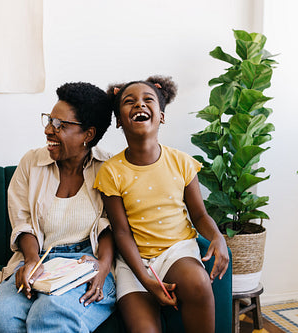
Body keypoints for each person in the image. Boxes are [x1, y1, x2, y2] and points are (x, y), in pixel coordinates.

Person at [94, 76, 229, 333]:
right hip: (134, 263)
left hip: (176, 251)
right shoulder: (111, 172)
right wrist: (145, 279)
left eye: (148, 100)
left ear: (162, 116)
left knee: (198, 282)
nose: (139, 105)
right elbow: (121, 232)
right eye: (129, 101)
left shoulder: (182, 162)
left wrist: (217, 237)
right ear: (119, 121)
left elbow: (199, 215)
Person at [0, 82, 116, 333]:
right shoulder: (32, 162)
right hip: (40, 257)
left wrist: (103, 266)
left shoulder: (109, 167)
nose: (48, 130)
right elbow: (23, 221)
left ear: (88, 134)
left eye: (59, 125)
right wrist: (32, 259)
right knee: (2, 320)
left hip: (86, 262)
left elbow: (111, 225)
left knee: (49, 319)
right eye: (49, 120)